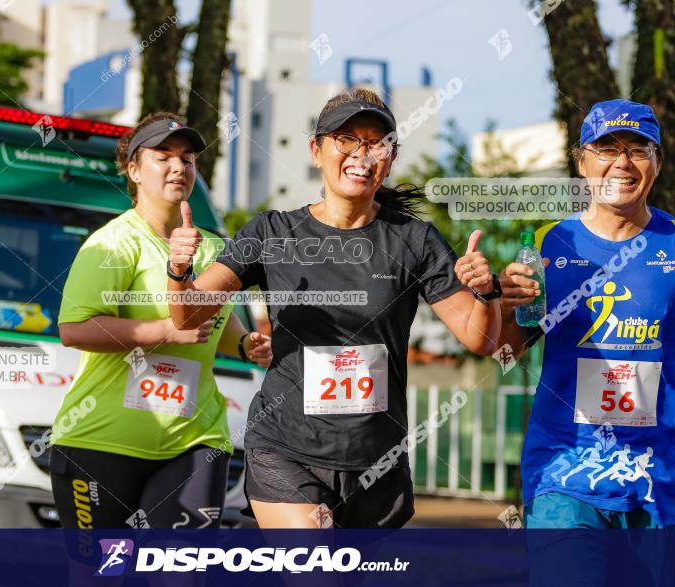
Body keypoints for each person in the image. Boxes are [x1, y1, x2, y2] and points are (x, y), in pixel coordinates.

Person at [168, 88, 501, 528]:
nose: (362, 153)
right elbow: (188, 315)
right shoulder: (272, 233)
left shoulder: (414, 240)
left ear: (392, 155)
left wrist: (488, 291)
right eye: (347, 139)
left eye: (377, 142)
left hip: (376, 460)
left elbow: (480, 339)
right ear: (316, 149)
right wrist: (178, 269)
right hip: (285, 448)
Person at [49, 112, 271, 529]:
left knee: (181, 571)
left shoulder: (215, 248)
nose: (177, 167)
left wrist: (244, 344)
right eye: (162, 156)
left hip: (194, 442)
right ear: (133, 170)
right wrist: (164, 332)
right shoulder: (114, 243)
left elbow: (214, 322)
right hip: (102, 442)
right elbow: (74, 329)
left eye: (187, 159)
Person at [500, 99, 674, 531]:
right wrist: (499, 304)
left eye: (637, 149)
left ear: (657, 163)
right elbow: (504, 349)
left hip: (659, 479)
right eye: (607, 150)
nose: (623, 163)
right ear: (582, 164)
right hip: (565, 473)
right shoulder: (548, 244)